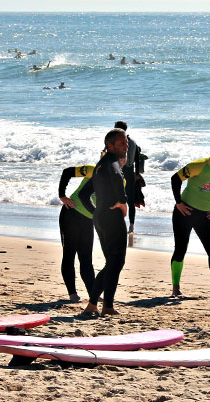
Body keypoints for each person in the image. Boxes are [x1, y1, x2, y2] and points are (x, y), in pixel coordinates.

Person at [170, 135, 210, 298]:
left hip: (205, 216)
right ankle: (175, 288)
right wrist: (178, 202)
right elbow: (175, 179)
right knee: (180, 250)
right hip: (185, 212)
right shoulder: (198, 166)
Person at [81, 128, 129, 316]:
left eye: (126, 142)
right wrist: (123, 202)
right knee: (116, 262)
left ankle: (101, 305)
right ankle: (100, 305)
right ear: (110, 146)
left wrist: (96, 212)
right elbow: (117, 177)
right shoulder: (111, 163)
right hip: (111, 218)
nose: (126, 146)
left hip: (101, 217)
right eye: (121, 143)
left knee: (112, 262)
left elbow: (85, 195)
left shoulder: (100, 165)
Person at [58, 163, 97, 302]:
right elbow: (67, 171)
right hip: (71, 213)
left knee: (86, 257)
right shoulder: (92, 170)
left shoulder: (119, 179)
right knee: (69, 254)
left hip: (89, 219)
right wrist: (62, 195)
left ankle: (93, 294)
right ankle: (72, 294)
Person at [114, 121, 145, 233]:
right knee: (130, 201)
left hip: (118, 173)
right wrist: (136, 173)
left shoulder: (115, 142)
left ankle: (118, 224)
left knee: (115, 198)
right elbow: (137, 158)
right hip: (130, 173)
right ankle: (131, 226)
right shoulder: (133, 142)